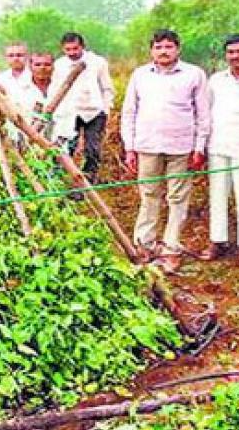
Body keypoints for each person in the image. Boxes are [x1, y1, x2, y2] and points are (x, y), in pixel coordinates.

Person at [120, 29, 211, 272]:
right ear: (152, 51)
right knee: (149, 195)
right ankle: (144, 244)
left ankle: (171, 249)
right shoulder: (140, 75)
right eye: (159, 47)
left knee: (178, 197)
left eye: (169, 47)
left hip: (182, 146)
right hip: (147, 145)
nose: (164, 51)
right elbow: (129, 112)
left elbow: (203, 113)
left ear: (178, 50)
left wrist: (199, 147)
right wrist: (129, 148)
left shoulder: (194, 74)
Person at [198, 34, 239, 268]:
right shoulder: (216, 80)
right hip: (217, 146)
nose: (236, 56)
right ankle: (218, 241)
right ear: (226, 55)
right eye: (231, 52)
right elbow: (205, 113)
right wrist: (202, 144)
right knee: (217, 196)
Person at [55, 32, 115, 183]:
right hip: (70, 112)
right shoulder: (59, 65)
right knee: (67, 148)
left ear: (83, 46)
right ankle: (64, 181)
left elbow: (107, 88)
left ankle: (87, 183)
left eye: (75, 49)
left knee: (92, 149)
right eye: (68, 49)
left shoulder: (98, 62)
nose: (72, 53)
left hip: (94, 112)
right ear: (63, 49)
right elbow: (56, 88)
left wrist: (106, 109)